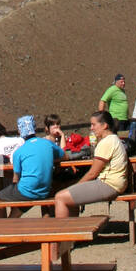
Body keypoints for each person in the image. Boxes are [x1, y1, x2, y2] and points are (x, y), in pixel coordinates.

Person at [51, 111, 129, 259]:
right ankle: (71, 238)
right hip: (115, 182)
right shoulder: (113, 139)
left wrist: (75, 187)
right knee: (70, 197)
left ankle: (60, 244)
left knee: (60, 197)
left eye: (94, 124)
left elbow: (93, 173)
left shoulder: (106, 142)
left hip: (109, 184)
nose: (91, 128)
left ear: (104, 125)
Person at [0, 115, 64, 212]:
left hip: (27, 191)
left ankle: (0, 226)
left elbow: (16, 178)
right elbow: (63, 155)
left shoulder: (18, 152)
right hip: (45, 190)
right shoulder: (47, 143)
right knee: (19, 202)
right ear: (34, 128)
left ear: (20, 132)